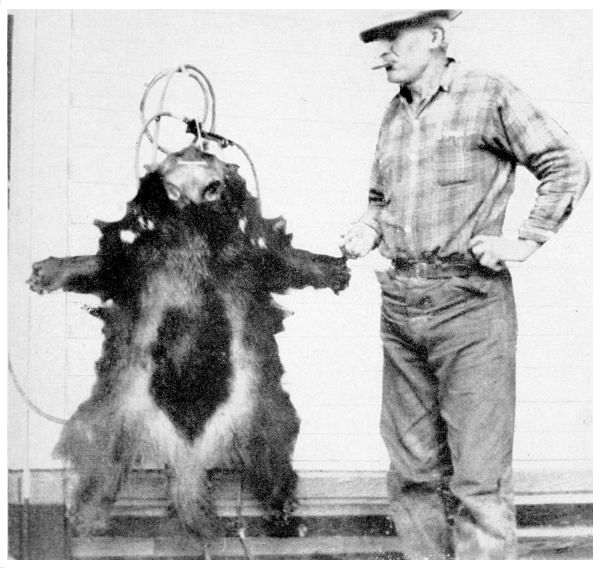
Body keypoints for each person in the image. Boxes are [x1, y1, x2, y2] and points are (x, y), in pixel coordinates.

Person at [339, 9, 590, 560]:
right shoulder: (394, 113)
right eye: (378, 42)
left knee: (478, 479)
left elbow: (565, 162)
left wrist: (525, 240)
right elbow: (380, 200)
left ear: (435, 37)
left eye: (393, 39)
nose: (384, 52)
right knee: (412, 473)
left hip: (469, 305)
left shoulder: (487, 93)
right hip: (400, 305)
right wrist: (367, 228)